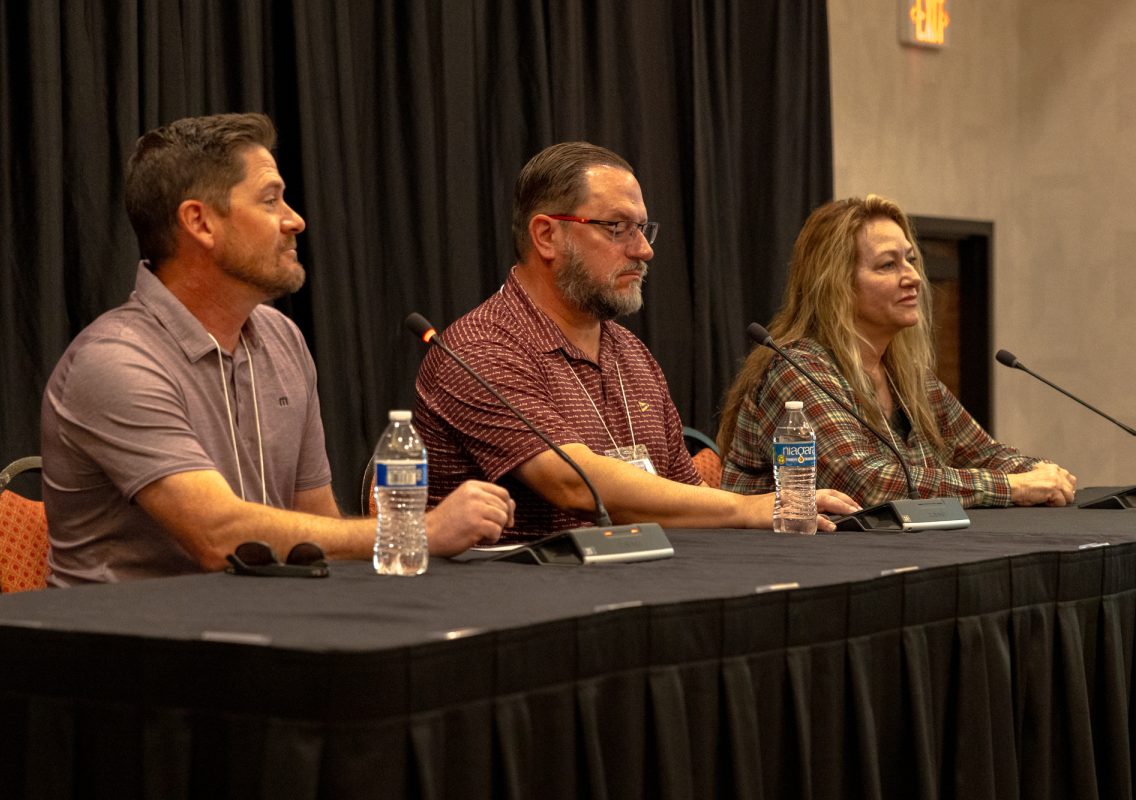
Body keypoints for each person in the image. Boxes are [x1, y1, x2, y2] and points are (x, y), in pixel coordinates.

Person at [41, 113, 514, 586]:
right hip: (136, 629)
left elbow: (319, 525)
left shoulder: (281, 338)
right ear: (200, 222)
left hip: (262, 620)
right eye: (270, 200)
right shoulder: (116, 361)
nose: (295, 220)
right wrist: (416, 531)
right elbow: (219, 537)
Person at [413, 142, 858, 538]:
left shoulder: (631, 353)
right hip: (518, 593)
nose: (644, 250)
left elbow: (682, 494)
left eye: (643, 228)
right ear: (547, 236)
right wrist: (747, 508)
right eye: (617, 227)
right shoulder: (481, 347)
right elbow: (571, 482)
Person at [716, 194, 1076, 508]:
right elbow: (865, 482)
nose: (913, 277)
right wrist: (1012, 487)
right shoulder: (797, 369)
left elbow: (984, 454)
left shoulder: (906, 375)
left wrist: (1042, 473)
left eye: (911, 260)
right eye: (888, 265)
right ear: (837, 284)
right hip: (789, 558)